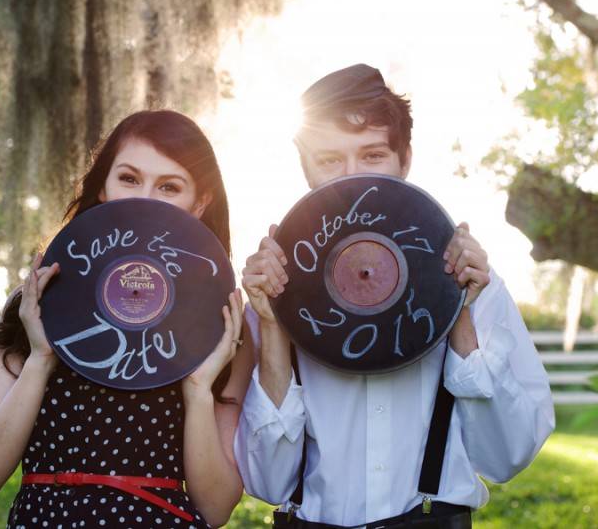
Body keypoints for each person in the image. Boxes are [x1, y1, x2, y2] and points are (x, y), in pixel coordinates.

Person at [235, 64, 554, 528]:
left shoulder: (473, 279)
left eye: (372, 155)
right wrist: (272, 325)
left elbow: (507, 457)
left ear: (404, 161)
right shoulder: (275, 289)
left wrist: (458, 316)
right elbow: (268, 483)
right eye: (329, 160)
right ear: (306, 170)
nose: (353, 177)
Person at [0, 110, 254, 528]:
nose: (145, 199)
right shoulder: (36, 302)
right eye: (130, 178)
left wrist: (197, 390)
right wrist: (42, 358)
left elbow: (216, 507)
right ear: (102, 185)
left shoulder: (225, 326)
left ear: (200, 202)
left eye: (169, 186)